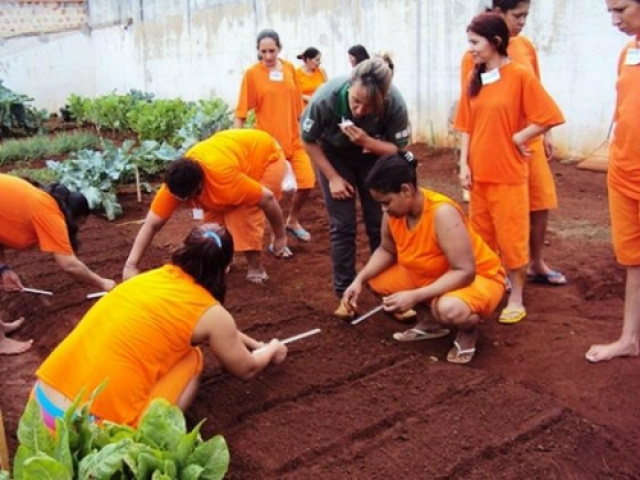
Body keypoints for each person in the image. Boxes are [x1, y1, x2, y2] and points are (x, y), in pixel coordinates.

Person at [34, 224, 288, 428]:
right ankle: (154, 435)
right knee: (193, 358)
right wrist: (272, 348)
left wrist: (255, 344)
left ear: (183, 250)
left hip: (40, 409)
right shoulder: (210, 313)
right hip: (86, 431)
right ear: (226, 266)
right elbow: (246, 368)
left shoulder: (147, 279)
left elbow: (213, 326)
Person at [342, 153, 506, 364]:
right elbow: (386, 250)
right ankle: (430, 322)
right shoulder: (394, 213)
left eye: (386, 202)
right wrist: (359, 280)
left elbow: (465, 271)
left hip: (478, 277)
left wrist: (415, 296)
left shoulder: (442, 214)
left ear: (406, 190)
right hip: (431, 274)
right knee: (377, 278)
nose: (384, 209)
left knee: (448, 309)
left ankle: (467, 331)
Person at [454, 13, 564, 324]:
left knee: (513, 238)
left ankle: (516, 296)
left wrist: (522, 135)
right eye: (469, 42)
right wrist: (464, 163)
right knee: (482, 238)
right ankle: (490, 288)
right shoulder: (475, 78)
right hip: (479, 174)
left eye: (475, 42)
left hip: (509, 173)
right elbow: (466, 124)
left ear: (495, 42)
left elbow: (549, 115)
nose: (471, 49)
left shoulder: (519, 76)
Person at [300, 58, 410, 318]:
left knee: (380, 223)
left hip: (374, 155)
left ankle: (389, 292)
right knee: (343, 226)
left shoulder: (394, 103)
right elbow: (307, 140)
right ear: (350, 84)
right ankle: (345, 295)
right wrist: (333, 177)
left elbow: (399, 149)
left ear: (383, 97)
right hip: (334, 157)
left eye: (369, 106)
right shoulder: (325, 98)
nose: (360, 111)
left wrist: (368, 142)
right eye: (356, 102)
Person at [123, 129, 289, 285]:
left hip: (266, 156)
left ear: (200, 185)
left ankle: (255, 268)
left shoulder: (225, 180)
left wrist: (280, 235)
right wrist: (131, 265)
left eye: (189, 198)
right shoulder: (174, 185)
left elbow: (267, 199)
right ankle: (224, 259)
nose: (184, 203)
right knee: (211, 227)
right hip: (231, 154)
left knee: (243, 212)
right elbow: (152, 224)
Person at [0, 175, 116, 355]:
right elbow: (69, 265)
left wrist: (3, 269)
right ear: (73, 216)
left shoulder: (43, 203)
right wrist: (103, 283)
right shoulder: (50, 214)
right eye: (79, 225)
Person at [586, 0, 640, 362]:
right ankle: (629, 339)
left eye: (620, 8)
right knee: (634, 259)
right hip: (624, 173)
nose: (614, 19)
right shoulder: (629, 51)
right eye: (608, 10)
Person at [234, 29, 316, 244]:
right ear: (258, 52)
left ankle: (293, 220)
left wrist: (307, 131)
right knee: (272, 194)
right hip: (268, 144)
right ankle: (275, 238)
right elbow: (241, 112)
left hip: (294, 138)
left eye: (272, 51)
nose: (268, 56)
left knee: (307, 182)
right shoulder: (252, 75)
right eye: (263, 52)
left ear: (279, 49)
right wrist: (237, 141)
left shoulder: (289, 69)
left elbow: (299, 105)